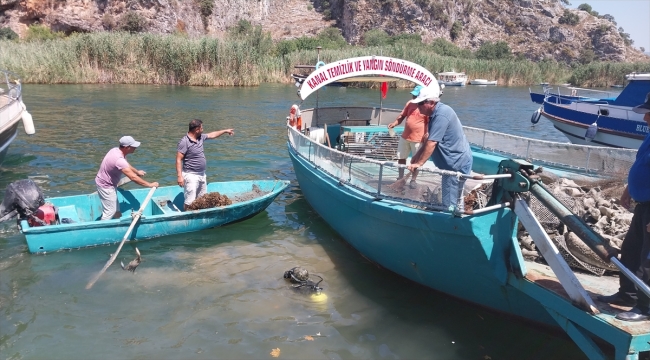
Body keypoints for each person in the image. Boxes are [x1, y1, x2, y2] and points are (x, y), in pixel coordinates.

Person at [598, 92, 650, 322]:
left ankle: (646, 307)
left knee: (648, 258)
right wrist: (630, 188)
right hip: (643, 204)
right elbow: (642, 164)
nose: (646, 118)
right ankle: (627, 295)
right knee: (631, 251)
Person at [407, 86, 472, 212]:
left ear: (431, 103)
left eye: (420, 103)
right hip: (452, 164)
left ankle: (452, 226)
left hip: (455, 164)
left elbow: (432, 143)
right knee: (454, 199)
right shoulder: (434, 114)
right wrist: (417, 156)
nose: (418, 106)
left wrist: (419, 163)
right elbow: (427, 139)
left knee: (451, 205)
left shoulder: (441, 114)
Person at [95, 136, 159, 220]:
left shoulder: (115, 150)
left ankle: (118, 225)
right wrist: (150, 184)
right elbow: (133, 178)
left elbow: (125, 164)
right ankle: (101, 230)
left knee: (116, 211)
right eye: (133, 146)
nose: (135, 147)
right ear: (126, 147)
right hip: (106, 186)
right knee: (110, 212)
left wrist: (136, 171)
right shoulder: (119, 160)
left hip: (107, 183)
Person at [176, 119, 234, 210]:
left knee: (202, 200)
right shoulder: (184, 142)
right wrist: (180, 176)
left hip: (202, 174)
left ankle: (199, 217)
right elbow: (178, 159)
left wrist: (225, 131)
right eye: (202, 128)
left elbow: (212, 135)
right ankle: (187, 219)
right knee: (189, 201)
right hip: (191, 175)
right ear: (197, 130)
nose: (203, 129)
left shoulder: (200, 137)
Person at [387, 85, 429, 188]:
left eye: (416, 95)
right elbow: (402, 116)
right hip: (405, 136)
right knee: (401, 157)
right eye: (413, 95)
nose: (413, 97)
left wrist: (426, 134)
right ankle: (400, 178)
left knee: (416, 161)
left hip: (418, 138)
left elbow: (428, 122)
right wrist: (394, 123)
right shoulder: (409, 103)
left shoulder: (426, 107)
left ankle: (413, 180)